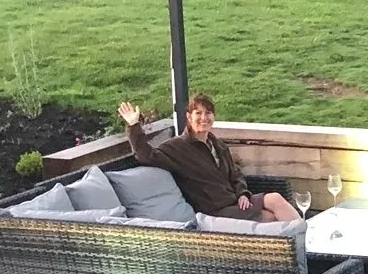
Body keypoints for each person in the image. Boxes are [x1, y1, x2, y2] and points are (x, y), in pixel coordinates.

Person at [117, 94, 300, 223]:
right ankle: (305, 248)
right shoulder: (177, 147)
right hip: (215, 211)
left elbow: (235, 174)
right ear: (189, 117)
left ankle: (306, 241)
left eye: (208, 113)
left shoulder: (217, 144)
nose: (204, 118)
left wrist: (243, 193)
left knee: (275, 199)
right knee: (273, 218)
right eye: (198, 113)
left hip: (236, 202)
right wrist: (134, 126)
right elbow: (145, 155)